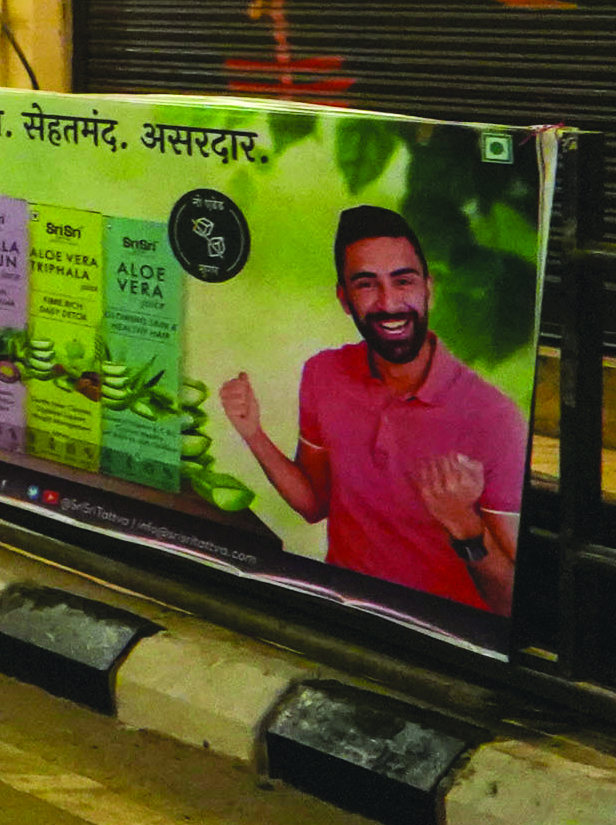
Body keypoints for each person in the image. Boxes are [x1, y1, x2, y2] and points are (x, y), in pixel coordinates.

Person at [218, 207, 525, 614]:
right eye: (367, 285)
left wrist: (466, 527)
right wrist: (253, 433)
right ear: (344, 299)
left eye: (404, 281)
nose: (389, 302)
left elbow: (509, 603)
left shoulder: (494, 417)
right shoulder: (323, 374)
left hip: (441, 638)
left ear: (428, 288)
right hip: (341, 612)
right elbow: (314, 505)